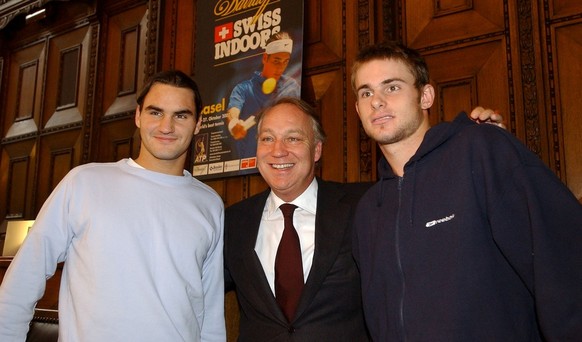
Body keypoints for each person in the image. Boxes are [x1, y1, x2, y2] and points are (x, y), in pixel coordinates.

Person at [351, 41, 582, 341]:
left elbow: (563, 266)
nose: (377, 102)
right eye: (366, 92)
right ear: (357, 109)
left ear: (425, 96)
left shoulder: (482, 150)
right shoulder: (368, 210)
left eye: (392, 87)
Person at [224, 97, 503, 341]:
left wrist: (476, 146)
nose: (278, 150)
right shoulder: (233, 221)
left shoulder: (366, 204)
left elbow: (434, 211)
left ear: (317, 150)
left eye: (294, 138)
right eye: (267, 138)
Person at [0, 70, 226, 341]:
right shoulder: (84, 182)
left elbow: (210, 311)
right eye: (156, 112)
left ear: (199, 123)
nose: (167, 126)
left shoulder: (210, 203)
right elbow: (24, 278)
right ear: (138, 116)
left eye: (181, 115)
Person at [225, 31, 301, 160]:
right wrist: (234, 124)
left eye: (285, 62)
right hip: (248, 168)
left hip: (282, 161)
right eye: (277, 61)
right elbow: (233, 111)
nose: (280, 68)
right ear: (265, 58)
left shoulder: (291, 86)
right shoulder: (242, 88)